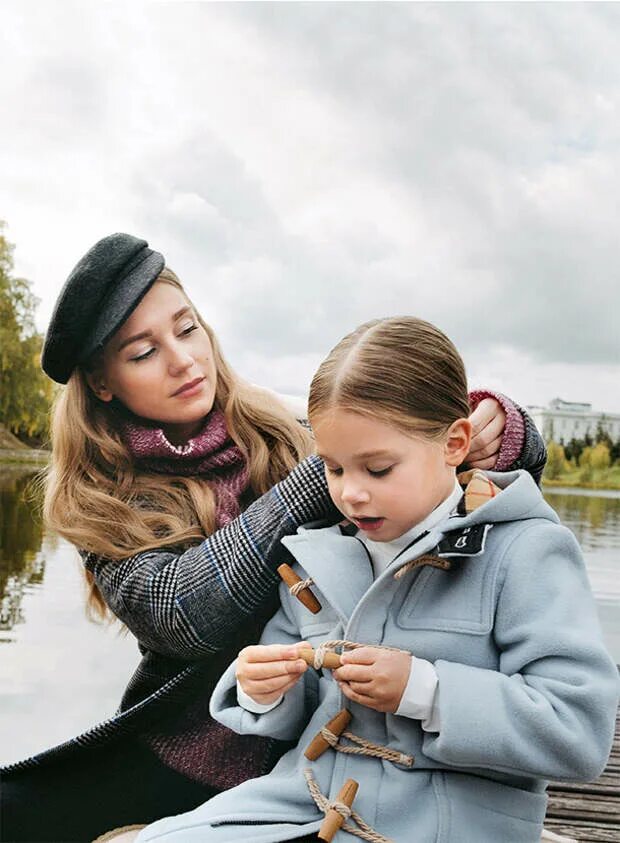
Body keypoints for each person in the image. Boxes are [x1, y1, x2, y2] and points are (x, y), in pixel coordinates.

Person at [0, 235, 545, 843]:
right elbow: (186, 615)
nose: (183, 360)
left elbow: (467, 471)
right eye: (143, 352)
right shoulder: (96, 501)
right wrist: (334, 466)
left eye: (186, 329)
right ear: (103, 384)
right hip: (189, 756)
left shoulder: (285, 429)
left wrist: (503, 426)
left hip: (333, 746)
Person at [116, 316, 619, 843]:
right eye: (333, 468)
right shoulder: (316, 555)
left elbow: (579, 734)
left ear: (454, 443)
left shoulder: (526, 551)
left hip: (451, 823)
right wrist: (261, 691)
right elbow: (299, 716)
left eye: (377, 470)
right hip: (300, 803)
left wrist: (425, 690)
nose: (350, 494)